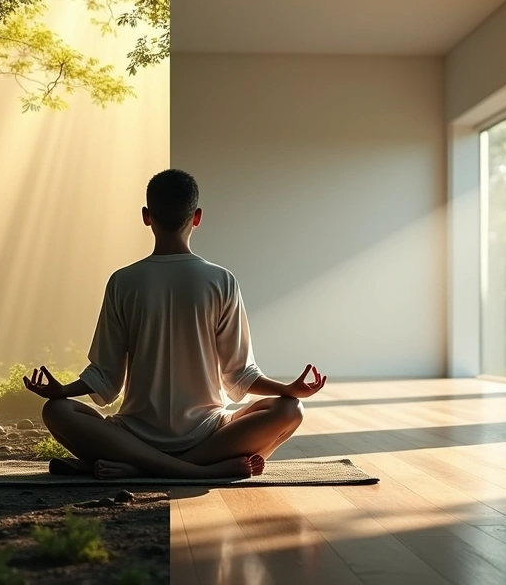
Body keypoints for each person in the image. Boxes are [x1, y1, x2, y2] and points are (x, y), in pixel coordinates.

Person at [23, 169, 326, 480]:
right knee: (289, 410)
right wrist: (288, 389)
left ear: (146, 216)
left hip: (133, 439)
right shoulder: (220, 280)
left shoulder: (123, 281)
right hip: (209, 436)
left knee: (57, 410)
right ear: (197, 217)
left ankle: (142, 467)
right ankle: (197, 470)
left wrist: (63, 390)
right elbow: (239, 375)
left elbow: (105, 376)